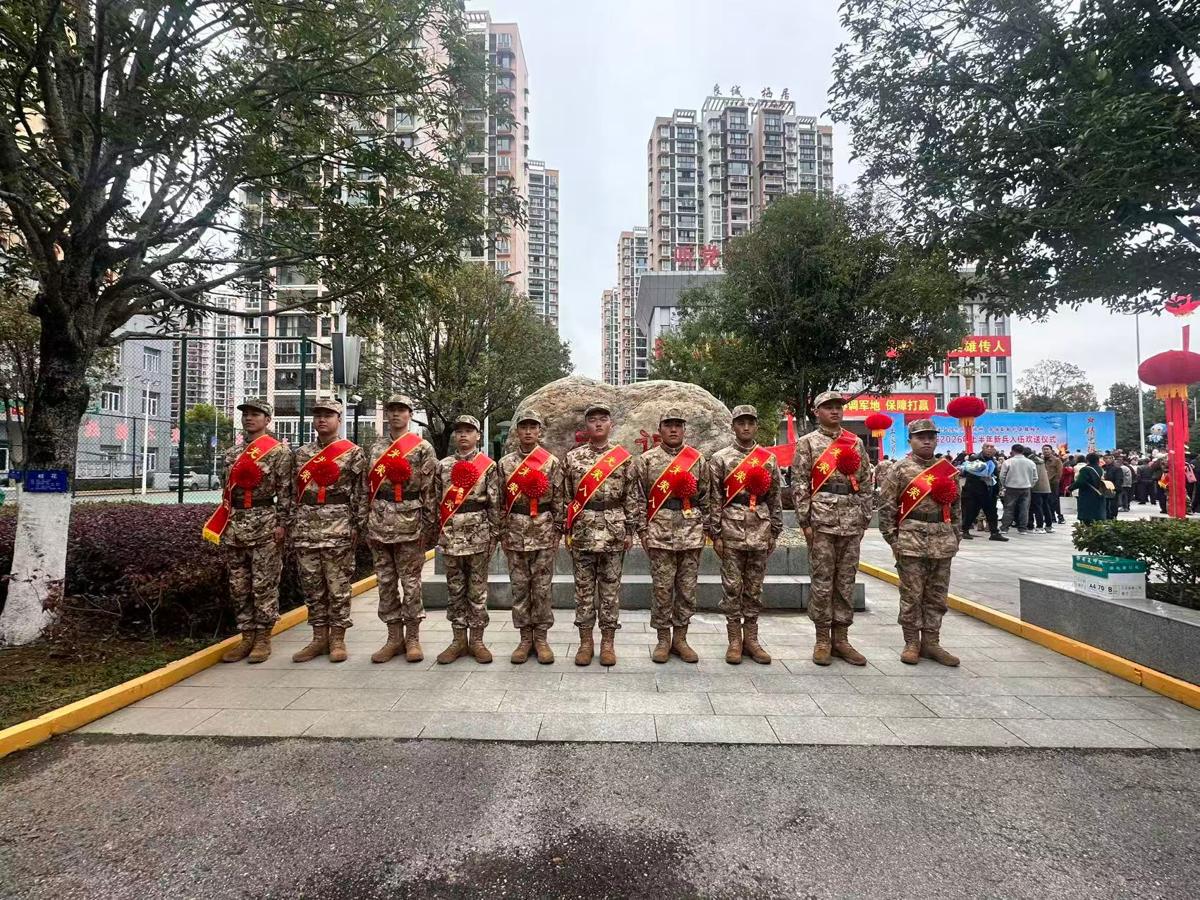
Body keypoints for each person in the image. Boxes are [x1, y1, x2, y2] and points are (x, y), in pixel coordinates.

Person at [208, 398, 294, 664]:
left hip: (265, 524)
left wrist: (282, 524)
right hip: (235, 525)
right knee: (238, 585)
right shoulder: (231, 454)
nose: (249, 418)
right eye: (246, 414)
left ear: (267, 420)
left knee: (264, 584)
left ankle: (263, 638)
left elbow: (286, 492)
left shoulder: (279, 452)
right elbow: (226, 491)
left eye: (256, 414)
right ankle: (246, 636)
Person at [790, 391, 873, 667]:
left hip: (851, 519)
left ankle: (842, 638)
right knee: (823, 581)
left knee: (846, 581)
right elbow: (799, 483)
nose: (835, 411)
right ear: (817, 412)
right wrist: (805, 521)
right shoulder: (807, 443)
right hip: (821, 520)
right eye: (828, 407)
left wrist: (864, 517)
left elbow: (865, 481)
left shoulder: (855, 442)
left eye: (838, 407)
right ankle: (822, 639)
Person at [878, 419, 961, 666]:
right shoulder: (900, 469)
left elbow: (956, 507)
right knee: (911, 594)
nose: (926, 441)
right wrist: (893, 540)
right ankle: (912, 642)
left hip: (942, 539)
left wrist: (955, 536)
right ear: (910, 440)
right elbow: (887, 507)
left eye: (931, 437)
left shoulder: (947, 470)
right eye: (921, 437)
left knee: (937, 595)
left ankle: (932, 642)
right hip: (911, 539)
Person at [291, 398, 368, 664]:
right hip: (306, 527)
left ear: (339, 419)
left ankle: (337, 639)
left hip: (339, 526)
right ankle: (318, 638)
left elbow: (361, 492)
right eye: (318, 415)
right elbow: (292, 492)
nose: (322, 419)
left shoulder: (353, 452)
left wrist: (358, 525)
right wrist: (289, 523)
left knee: (338, 586)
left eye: (328, 415)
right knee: (312, 586)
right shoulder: (301, 454)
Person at [563, 402, 640, 666]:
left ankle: (608, 643)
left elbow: (632, 496)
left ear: (610, 424)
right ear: (586, 425)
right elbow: (566, 497)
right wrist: (567, 529)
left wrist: (630, 530)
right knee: (583, 592)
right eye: (592, 419)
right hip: (583, 531)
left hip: (613, 531)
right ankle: (586, 643)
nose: (598, 423)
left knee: (610, 592)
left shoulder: (623, 458)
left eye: (603, 419)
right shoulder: (573, 458)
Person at [635, 408, 713, 664]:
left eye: (678, 425)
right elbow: (638, 498)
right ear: (660, 429)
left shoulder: (697, 460)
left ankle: (681, 638)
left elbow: (707, 497)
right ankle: (662, 640)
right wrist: (643, 531)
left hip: (690, 533)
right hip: (659, 532)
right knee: (662, 589)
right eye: (668, 425)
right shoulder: (647, 461)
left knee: (687, 590)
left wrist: (706, 528)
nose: (673, 429)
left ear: (684, 429)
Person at [707, 405, 783, 665]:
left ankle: (751, 639)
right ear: (733, 426)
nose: (746, 427)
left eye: (750, 422)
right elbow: (714, 499)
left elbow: (774, 498)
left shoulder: (768, 459)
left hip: (760, 529)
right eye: (741, 423)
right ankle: (734, 641)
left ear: (756, 426)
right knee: (732, 587)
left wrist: (775, 531)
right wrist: (715, 534)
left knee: (754, 588)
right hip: (731, 529)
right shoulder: (720, 459)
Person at [363, 394, 436, 665]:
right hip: (379, 523)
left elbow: (430, 490)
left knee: (411, 583)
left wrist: (429, 526)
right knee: (385, 583)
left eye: (401, 410)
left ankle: (413, 637)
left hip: (410, 523)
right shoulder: (376, 448)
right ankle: (393, 637)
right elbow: (367, 488)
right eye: (392, 410)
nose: (396, 414)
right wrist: (365, 521)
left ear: (410, 414)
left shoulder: (421, 448)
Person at [498, 409, 565, 665]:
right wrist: (501, 531)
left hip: (544, 531)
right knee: (519, 588)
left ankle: (542, 639)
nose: (528, 431)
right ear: (517, 431)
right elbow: (499, 501)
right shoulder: (505, 464)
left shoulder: (551, 462)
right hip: (515, 531)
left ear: (539, 431)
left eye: (532, 427)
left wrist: (558, 530)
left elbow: (559, 498)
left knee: (542, 588)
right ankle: (525, 639)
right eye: (523, 427)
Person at [432, 415, 500, 665]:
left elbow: (495, 503)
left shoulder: (488, 466)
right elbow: (435, 500)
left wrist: (494, 535)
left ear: (478, 435)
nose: (463, 435)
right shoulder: (443, 466)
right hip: (451, 535)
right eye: (459, 431)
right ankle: (458, 640)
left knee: (477, 590)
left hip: (478, 535)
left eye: (469, 431)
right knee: (455, 590)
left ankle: (478, 641)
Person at [959, 445, 1005, 541]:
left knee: (992, 513)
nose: (989, 449)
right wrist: (981, 476)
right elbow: (967, 472)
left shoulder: (993, 461)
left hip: (989, 491)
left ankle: (994, 533)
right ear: (983, 448)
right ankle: (965, 530)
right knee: (971, 512)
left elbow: (996, 475)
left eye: (992, 447)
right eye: (987, 447)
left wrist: (997, 488)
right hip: (974, 491)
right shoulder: (974, 458)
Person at [999, 443, 1036, 534]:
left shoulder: (1008, 462)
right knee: (1024, 509)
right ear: (1023, 451)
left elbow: (1002, 476)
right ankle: (1023, 528)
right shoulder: (1030, 462)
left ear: (1012, 451)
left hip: (1011, 488)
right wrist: (1030, 485)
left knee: (1009, 508)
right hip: (1026, 488)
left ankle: (1004, 528)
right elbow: (1035, 477)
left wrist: (1004, 485)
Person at [1067, 452, 1108, 523]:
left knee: (1087, 516)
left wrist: (1070, 488)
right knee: (1097, 515)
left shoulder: (1085, 469)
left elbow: (1080, 482)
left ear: (1087, 460)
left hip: (1087, 495)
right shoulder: (1100, 469)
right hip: (1099, 493)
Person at [1028, 447, 1053, 533]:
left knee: (1037, 507)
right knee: (1046, 506)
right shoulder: (1041, 461)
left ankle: (1039, 526)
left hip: (1037, 487)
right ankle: (1049, 526)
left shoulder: (1030, 462)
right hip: (1046, 487)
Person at [1042, 446, 1065, 525]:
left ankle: (1060, 516)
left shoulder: (1057, 460)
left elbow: (1059, 472)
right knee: (1047, 500)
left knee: (1055, 500)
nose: (1046, 451)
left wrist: (1056, 481)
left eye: (1047, 449)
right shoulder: (1041, 460)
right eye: (1044, 449)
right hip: (1044, 483)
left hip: (1053, 483)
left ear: (1051, 450)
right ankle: (1051, 517)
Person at [1102, 454, 1124, 520]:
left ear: (1112, 459)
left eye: (1109, 458)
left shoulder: (1117, 469)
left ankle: (1113, 518)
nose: (1108, 460)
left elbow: (1119, 480)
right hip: (1102, 490)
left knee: (1112, 506)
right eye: (1106, 458)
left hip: (1112, 489)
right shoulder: (1102, 468)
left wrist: (1116, 489)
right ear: (1103, 459)